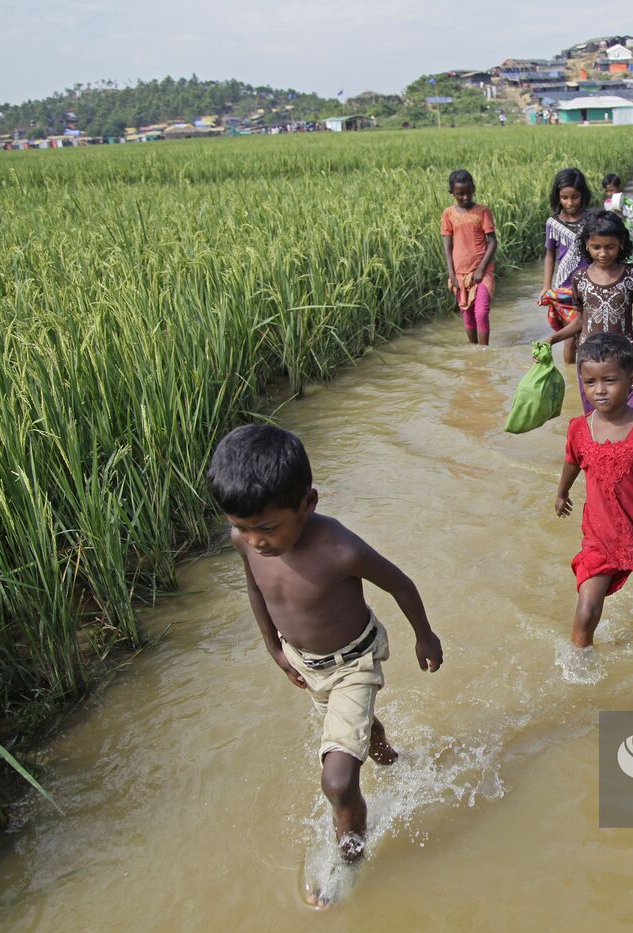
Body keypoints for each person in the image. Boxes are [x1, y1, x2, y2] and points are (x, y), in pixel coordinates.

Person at [207, 425, 443, 893]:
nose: (256, 541)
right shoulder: (245, 542)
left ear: (307, 503)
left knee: (337, 780)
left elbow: (399, 583)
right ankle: (395, 761)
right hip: (306, 664)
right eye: (242, 526)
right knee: (357, 737)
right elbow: (256, 588)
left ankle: (347, 868)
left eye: (268, 527)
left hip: (354, 662)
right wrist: (274, 648)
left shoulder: (339, 548)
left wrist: (425, 636)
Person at [553, 332, 633, 648]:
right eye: (590, 383)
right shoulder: (580, 429)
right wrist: (562, 492)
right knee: (586, 609)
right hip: (599, 538)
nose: (599, 391)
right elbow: (572, 461)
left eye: (609, 380)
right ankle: (579, 669)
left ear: (632, 378)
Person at [547, 210, 633, 415]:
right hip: (590, 361)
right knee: (595, 415)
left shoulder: (632, 276)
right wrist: (552, 339)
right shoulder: (580, 279)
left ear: (621, 243)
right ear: (586, 244)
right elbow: (580, 321)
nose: (603, 253)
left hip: (624, 360)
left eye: (609, 247)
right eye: (596, 247)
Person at [439, 169, 499, 347]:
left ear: (473, 189)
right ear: (452, 194)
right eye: (460, 194)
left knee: (481, 312)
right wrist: (452, 275)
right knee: (467, 314)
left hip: (482, 272)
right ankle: (474, 352)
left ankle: (483, 352)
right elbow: (447, 246)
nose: (465, 197)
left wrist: (481, 269)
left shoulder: (482, 211)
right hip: (459, 274)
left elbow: (493, 242)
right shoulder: (448, 214)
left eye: (468, 192)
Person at [541, 168, 593, 365]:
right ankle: (571, 377)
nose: (570, 203)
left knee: (590, 334)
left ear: (583, 196)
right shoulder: (553, 223)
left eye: (575, 197)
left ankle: (587, 374)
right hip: (565, 286)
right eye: (564, 197)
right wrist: (546, 286)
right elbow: (550, 254)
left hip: (590, 283)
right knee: (570, 337)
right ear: (558, 197)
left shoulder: (591, 221)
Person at [602, 173, 633, 245]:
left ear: (619, 188)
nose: (609, 193)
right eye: (607, 191)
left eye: (612, 190)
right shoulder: (607, 203)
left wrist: (621, 216)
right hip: (613, 234)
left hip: (627, 235)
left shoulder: (628, 203)